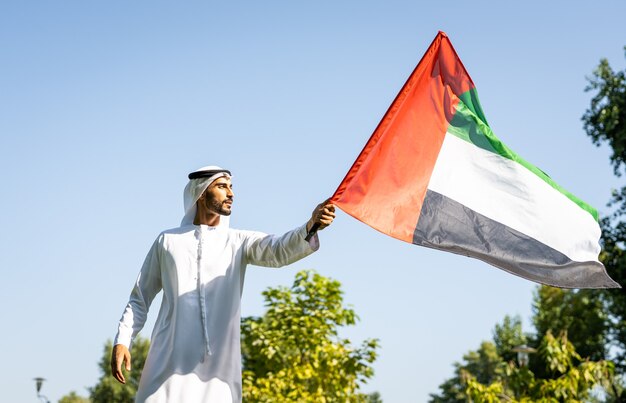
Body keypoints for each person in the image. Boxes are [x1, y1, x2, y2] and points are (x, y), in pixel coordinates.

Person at [111, 165, 335, 402]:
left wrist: (311, 225)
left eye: (231, 187)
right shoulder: (167, 241)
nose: (231, 193)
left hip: (219, 377)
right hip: (166, 371)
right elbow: (140, 298)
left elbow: (278, 250)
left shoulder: (238, 241)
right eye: (222, 186)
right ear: (200, 192)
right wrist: (123, 339)